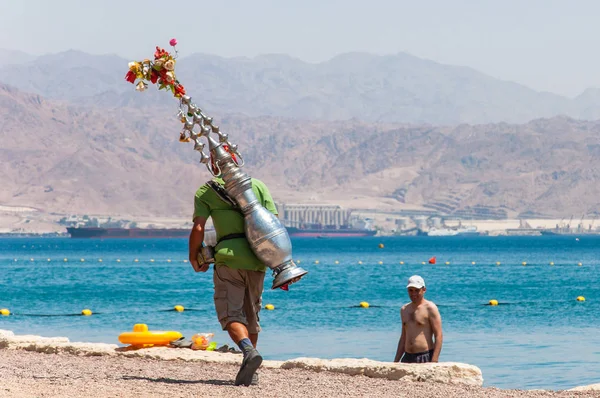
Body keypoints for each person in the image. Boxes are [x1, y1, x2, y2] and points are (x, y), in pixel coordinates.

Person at [188, 157, 279, 387]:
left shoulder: (206, 191)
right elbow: (273, 223)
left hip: (228, 258)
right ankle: (252, 369)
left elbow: (199, 227)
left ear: (213, 165)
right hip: (258, 258)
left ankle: (248, 351)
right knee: (251, 315)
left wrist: (194, 256)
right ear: (236, 161)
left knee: (231, 315)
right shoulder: (257, 186)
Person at [393, 275, 443, 363]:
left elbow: (438, 335)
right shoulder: (404, 309)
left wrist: (434, 360)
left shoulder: (430, 308)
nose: (413, 294)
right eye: (410, 290)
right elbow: (404, 337)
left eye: (417, 290)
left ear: (424, 290)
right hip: (407, 356)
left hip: (424, 356)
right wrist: (396, 361)